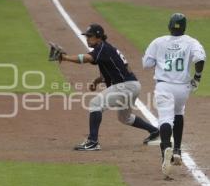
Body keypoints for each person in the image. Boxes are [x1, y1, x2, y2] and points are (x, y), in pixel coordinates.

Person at [59, 23, 159, 151]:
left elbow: (86, 58)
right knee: (124, 118)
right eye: (87, 36)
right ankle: (155, 131)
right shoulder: (105, 48)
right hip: (132, 85)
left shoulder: (102, 48)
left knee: (95, 104)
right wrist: (96, 81)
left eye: (90, 36)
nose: (87, 39)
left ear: (99, 37)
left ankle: (93, 141)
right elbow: (108, 69)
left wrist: (65, 57)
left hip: (125, 86)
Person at [142, 13, 206, 177]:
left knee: (165, 119)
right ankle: (177, 149)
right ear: (184, 27)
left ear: (169, 26)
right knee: (179, 113)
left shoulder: (158, 41)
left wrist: (160, 60)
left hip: (164, 87)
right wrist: (197, 78)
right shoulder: (191, 41)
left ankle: (165, 152)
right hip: (182, 88)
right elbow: (199, 59)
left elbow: (146, 64)